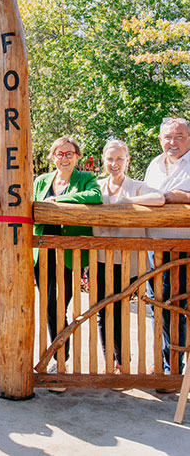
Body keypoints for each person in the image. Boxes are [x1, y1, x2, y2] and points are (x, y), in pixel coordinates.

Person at [33, 136, 102, 390]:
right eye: (59, 153)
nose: (64, 157)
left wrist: (59, 202)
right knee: (51, 308)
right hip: (42, 256)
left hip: (70, 257)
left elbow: (95, 197)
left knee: (56, 305)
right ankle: (58, 357)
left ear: (77, 156)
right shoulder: (41, 180)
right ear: (52, 156)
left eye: (69, 153)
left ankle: (61, 360)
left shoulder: (85, 179)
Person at [92, 139, 164, 373]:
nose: (114, 164)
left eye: (119, 159)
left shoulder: (136, 187)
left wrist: (128, 203)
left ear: (127, 161)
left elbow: (160, 199)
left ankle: (123, 362)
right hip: (101, 259)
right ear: (104, 160)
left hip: (130, 263)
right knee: (103, 311)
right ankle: (109, 363)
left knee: (121, 310)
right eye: (110, 159)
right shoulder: (96, 186)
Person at [144, 117, 190, 377]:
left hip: (184, 248)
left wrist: (184, 198)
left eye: (179, 136)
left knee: (178, 307)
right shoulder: (154, 165)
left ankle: (173, 367)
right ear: (160, 139)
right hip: (155, 248)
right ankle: (164, 364)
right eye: (168, 137)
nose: (173, 142)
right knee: (158, 306)